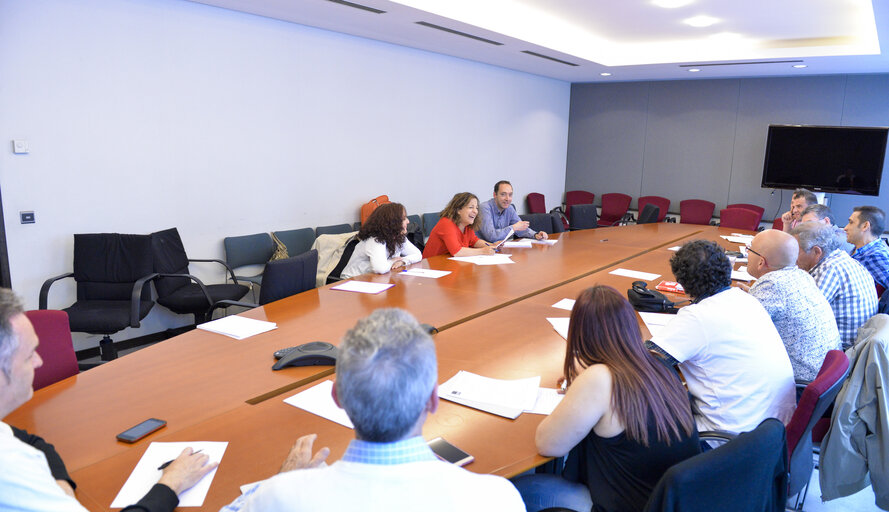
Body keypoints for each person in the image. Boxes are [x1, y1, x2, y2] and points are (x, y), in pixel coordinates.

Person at [222, 308, 524, 511]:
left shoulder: (281, 497)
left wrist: (282, 479)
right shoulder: (498, 499)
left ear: (337, 396)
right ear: (433, 399)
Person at [0, 289, 217, 512]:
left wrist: (60, 485)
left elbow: (33, 442)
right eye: (28, 356)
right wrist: (171, 484)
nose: (39, 362)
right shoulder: (9, 467)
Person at [513, 286, 700, 512]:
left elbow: (548, 444)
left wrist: (582, 379)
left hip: (626, 506)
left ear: (580, 334)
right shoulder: (658, 363)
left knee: (517, 490)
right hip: (670, 502)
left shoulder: (600, 379)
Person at [646, 240, 796, 433]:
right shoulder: (748, 300)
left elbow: (644, 362)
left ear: (682, 283)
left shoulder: (697, 317)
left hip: (727, 438)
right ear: (728, 269)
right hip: (772, 432)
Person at [743, 230, 841, 381]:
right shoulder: (802, 275)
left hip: (797, 383)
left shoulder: (771, 283)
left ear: (761, 262)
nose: (747, 254)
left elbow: (739, 332)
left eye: (749, 250)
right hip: (823, 376)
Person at [790, 222, 878, 349]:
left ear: (816, 251)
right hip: (855, 342)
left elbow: (800, 316)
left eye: (796, 251)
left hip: (841, 349)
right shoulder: (840, 258)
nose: (793, 257)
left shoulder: (829, 269)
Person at [340, 203, 422, 279]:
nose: (408, 221)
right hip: (352, 281)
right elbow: (380, 268)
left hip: (374, 279)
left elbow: (418, 254)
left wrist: (403, 261)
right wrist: (392, 261)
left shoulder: (398, 237)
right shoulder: (375, 240)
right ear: (392, 223)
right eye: (404, 219)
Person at [422, 192, 496, 258]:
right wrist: (483, 251)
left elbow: (474, 241)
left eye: (476, 208)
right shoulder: (446, 223)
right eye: (471, 207)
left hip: (450, 263)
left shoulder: (466, 224)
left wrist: (492, 246)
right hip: (432, 266)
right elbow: (457, 252)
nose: (475, 211)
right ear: (458, 210)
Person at [478, 180, 547, 243]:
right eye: (503, 194)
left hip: (499, 248)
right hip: (482, 250)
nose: (507, 199)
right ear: (495, 195)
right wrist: (513, 228)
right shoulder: (484, 208)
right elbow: (491, 236)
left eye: (510, 195)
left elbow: (520, 228)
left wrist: (536, 234)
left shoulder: (509, 208)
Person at [845, 206, 889, 290]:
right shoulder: (859, 250)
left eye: (851, 222)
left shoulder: (876, 255)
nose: (845, 228)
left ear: (865, 226)